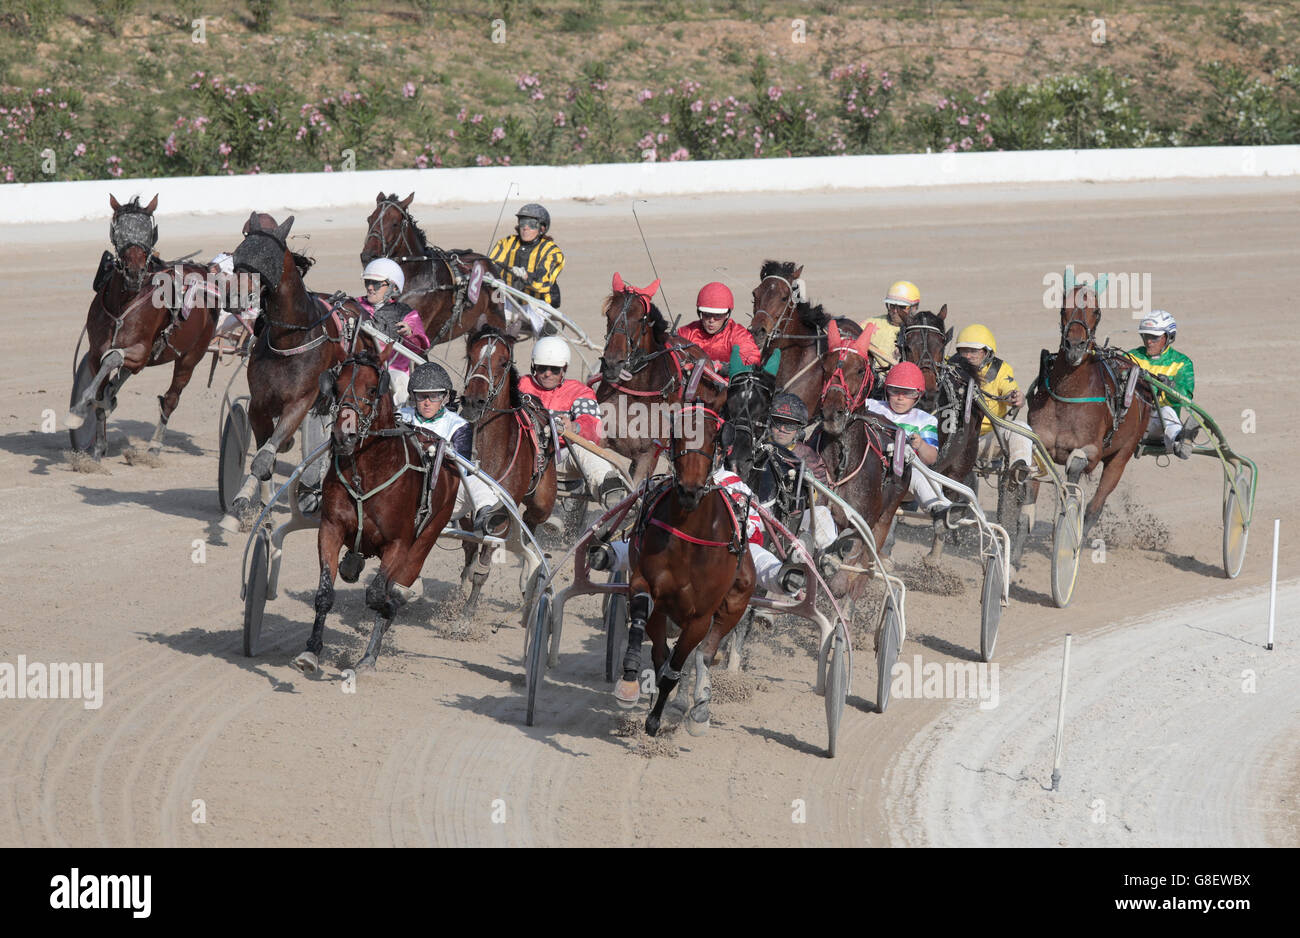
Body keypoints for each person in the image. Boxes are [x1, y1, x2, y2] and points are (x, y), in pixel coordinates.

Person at [397, 362, 508, 533]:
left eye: (433, 396)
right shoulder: (399, 417)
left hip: (443, 495)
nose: (427, 402)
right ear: (413, 396)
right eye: (421, 396)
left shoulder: (458, 425)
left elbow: (461, 472)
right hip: (401, 491)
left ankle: (486, 515)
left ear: (444, 397)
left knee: (478, 480)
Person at [753, 393, 857, 577]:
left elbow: (821, 497)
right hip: (758, 513)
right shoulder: (755, 449)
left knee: (823, 514)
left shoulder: (809, 457)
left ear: (799, 429)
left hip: (795, 517)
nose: (783, 429)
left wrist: (803, 489)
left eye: (790, 425)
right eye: (778, 423)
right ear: (770, 423)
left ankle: (829, 557)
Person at [519, 335, 627, 508]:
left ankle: (609, 492)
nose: (547, 373)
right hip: (524, 459)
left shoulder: (578, 391)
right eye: (542, 368)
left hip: (560, 459)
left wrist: (574, 427)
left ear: (564, 369)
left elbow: (594, 425)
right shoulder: (520, 386)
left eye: (554, 369)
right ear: (534, 366)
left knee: (586, 450)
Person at [862, 361, 950, 517]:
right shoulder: (871, 406)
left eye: (908, 393)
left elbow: (931, 458)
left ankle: (939, 509)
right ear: (887, 390)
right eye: (895, 391)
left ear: (918, 395)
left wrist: (921, 444)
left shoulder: (925, 420)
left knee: (923, 476)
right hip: (869, 470)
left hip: (905, 475)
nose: (900, 398)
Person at [953, 324, 1034, 483]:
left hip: (988, 439)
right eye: (964, 351)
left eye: (974, 351)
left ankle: (1019, 468)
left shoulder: (1000, 370)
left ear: (987, 353)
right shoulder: (950, 368)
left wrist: (1016, 398)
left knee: (1022, 429)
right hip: (956, 441)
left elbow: (1010, 391)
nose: (968, 356)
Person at [357, 258, 430, 408]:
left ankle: (399, 421)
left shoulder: (407, 314)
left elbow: (420, 349)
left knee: (400, 387)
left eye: (376, 284)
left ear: (393, 288)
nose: (370, 287)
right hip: (358, 368)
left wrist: (410, 333)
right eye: (367, 282)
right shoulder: (353, 305)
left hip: (393, 372)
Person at [1126, 310, 1196, 459]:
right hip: (1130, 419)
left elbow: (1185, 399)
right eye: (1145, 336)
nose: (1149, 342)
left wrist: (1170, 386)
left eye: (1154, 337)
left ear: (1169, 337)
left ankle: (1180, 440)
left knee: (1166, 412)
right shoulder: (1131, 357)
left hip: (1157, 425)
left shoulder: (1182, 363)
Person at [488, 203, 565, 309]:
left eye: (532, 224)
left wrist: (525, 276)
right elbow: (491, 265)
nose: (526, 228)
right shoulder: (505, 243)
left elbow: (543, 283)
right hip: (507, 300)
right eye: (523, 223)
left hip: (537, 305)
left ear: (542, 228)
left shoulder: (552, 251)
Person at [675, 282, 759, 375]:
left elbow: (752, 362)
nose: (711, 320)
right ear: (700, 313)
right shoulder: (686, 333)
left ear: (727, 314)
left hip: (728, 387)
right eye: (706, 314)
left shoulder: (739, 335)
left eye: (718, 316)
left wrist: (724, 368)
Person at [859, 280, 920, 372]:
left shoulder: (922, 332)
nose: (895, 311)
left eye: (902, 307)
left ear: (914, 307)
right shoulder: (867, 325)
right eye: (892, 306)